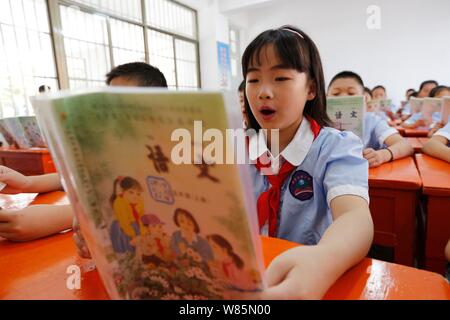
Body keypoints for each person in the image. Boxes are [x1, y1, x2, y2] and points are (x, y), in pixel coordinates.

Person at [243, 26, 373, 299]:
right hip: (247, 277)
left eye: (280, 77)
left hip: (315, 278)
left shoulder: (336, 146)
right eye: (253, 80)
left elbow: (354, 216)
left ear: (311, 89)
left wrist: (322, 261)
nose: (263, 92)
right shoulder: (235, 147)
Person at [0, 62, 168, 243]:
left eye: (124, 104)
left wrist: (59, 217)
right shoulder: (116, 146)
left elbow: (145, 204)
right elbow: (81, 175)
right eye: (109, 104)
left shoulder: (163, 152)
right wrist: (28, 183)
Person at [328, 71, 413, 167]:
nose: (343, 97)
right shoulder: (319, 120)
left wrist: (382, 155)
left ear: (364, 99)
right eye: (335, 94)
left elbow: (405, 146)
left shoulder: (372, 120)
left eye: (351, 93)